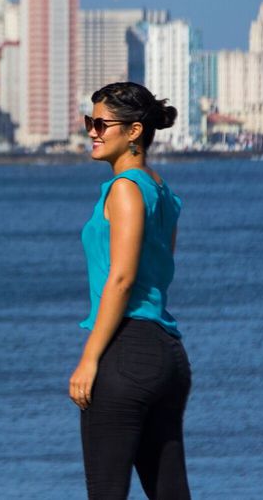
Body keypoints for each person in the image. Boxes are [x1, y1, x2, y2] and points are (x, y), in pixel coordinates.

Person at [70, 82, 192, 499]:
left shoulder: (124, 190)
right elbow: (159, 273)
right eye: (90, 122)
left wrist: (89, 359)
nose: (92, 131)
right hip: (168, 356)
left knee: (106, 491)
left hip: (125, 352)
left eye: (102, 124)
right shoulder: (163, 193)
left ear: (134, 131)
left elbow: (121, 280)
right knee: (170, 491)